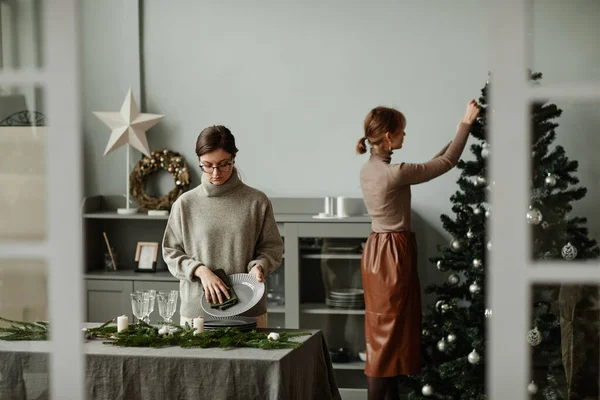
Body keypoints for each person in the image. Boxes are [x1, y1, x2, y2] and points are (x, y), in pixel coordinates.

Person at [357, 100, 480, 400]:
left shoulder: (372, 169)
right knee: (386, 343)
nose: (405, 136)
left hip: (377, 252)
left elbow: (431, 165)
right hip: (392, 256)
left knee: (385, 336)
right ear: (388, 137)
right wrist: (465, 123)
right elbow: (446, 163)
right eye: (402, 131)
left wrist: (459, 134)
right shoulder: (394, 173)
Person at [162, 125, 283, 329]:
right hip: (197, 315)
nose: (215, 173)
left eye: (223, 164)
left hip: (248, 311)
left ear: (234, 158)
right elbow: (170, 252)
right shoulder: (185, 204)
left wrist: (259, 266)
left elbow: (272, 248)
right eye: (207, 165)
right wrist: (199, 270)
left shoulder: (257, 201)